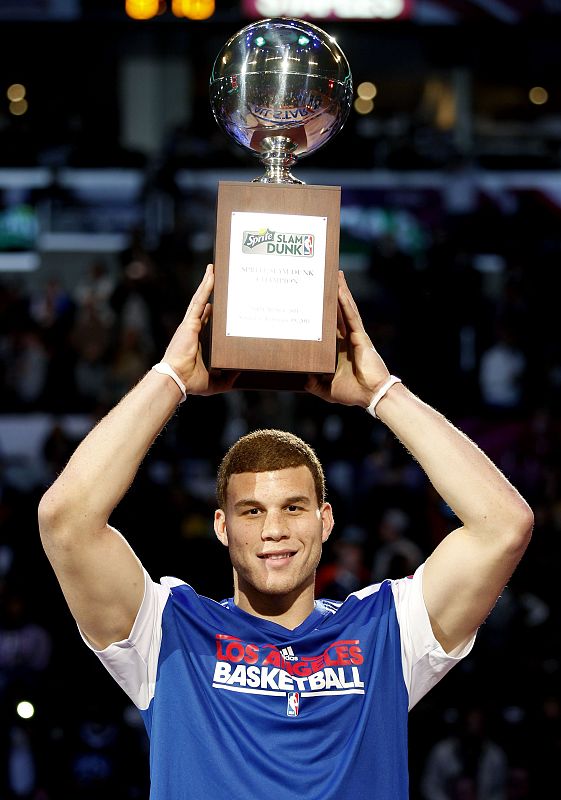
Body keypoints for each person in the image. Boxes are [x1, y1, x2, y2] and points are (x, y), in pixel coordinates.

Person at [38, 265, 533, 800]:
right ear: (222, 527)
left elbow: (503, 526)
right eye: (251, 512)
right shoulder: (169, 631)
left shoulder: (389, 630)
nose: (274, 529)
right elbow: (66, 521)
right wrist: (172, 377)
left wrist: (383, 392)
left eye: (293, 507)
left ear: (325, 519)